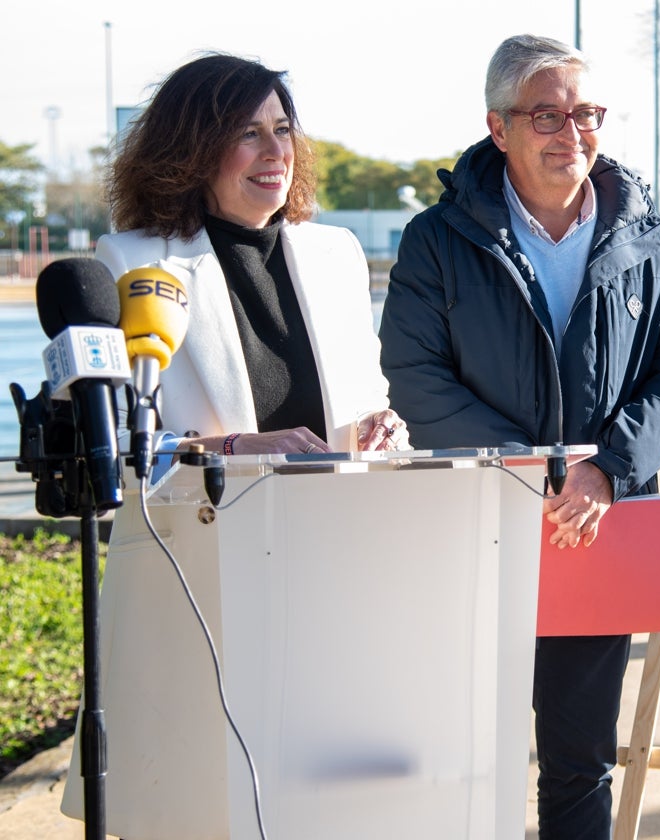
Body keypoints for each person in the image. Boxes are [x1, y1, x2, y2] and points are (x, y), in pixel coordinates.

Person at [61, 53, 407, 836]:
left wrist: (380, 428)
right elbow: (113, 449)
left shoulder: (337, 254)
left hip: (330, 579)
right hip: (200, 586)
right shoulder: (129, 263)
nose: (276, 151)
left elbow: (366, 404)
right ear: (192, 148)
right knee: (202, 809)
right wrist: (241, 447)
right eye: (247, 133)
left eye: (283, 130)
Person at [379, 34, 660, 838]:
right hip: (479, 527)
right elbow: (416, 376)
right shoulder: (437, 239)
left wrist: (607, 471)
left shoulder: (644, 235)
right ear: (500, 130)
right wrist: (534, 474)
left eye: (586, 113)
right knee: (470, 753)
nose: (572, 133)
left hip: (600, 530)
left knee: (580, 759)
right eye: (547, 115)